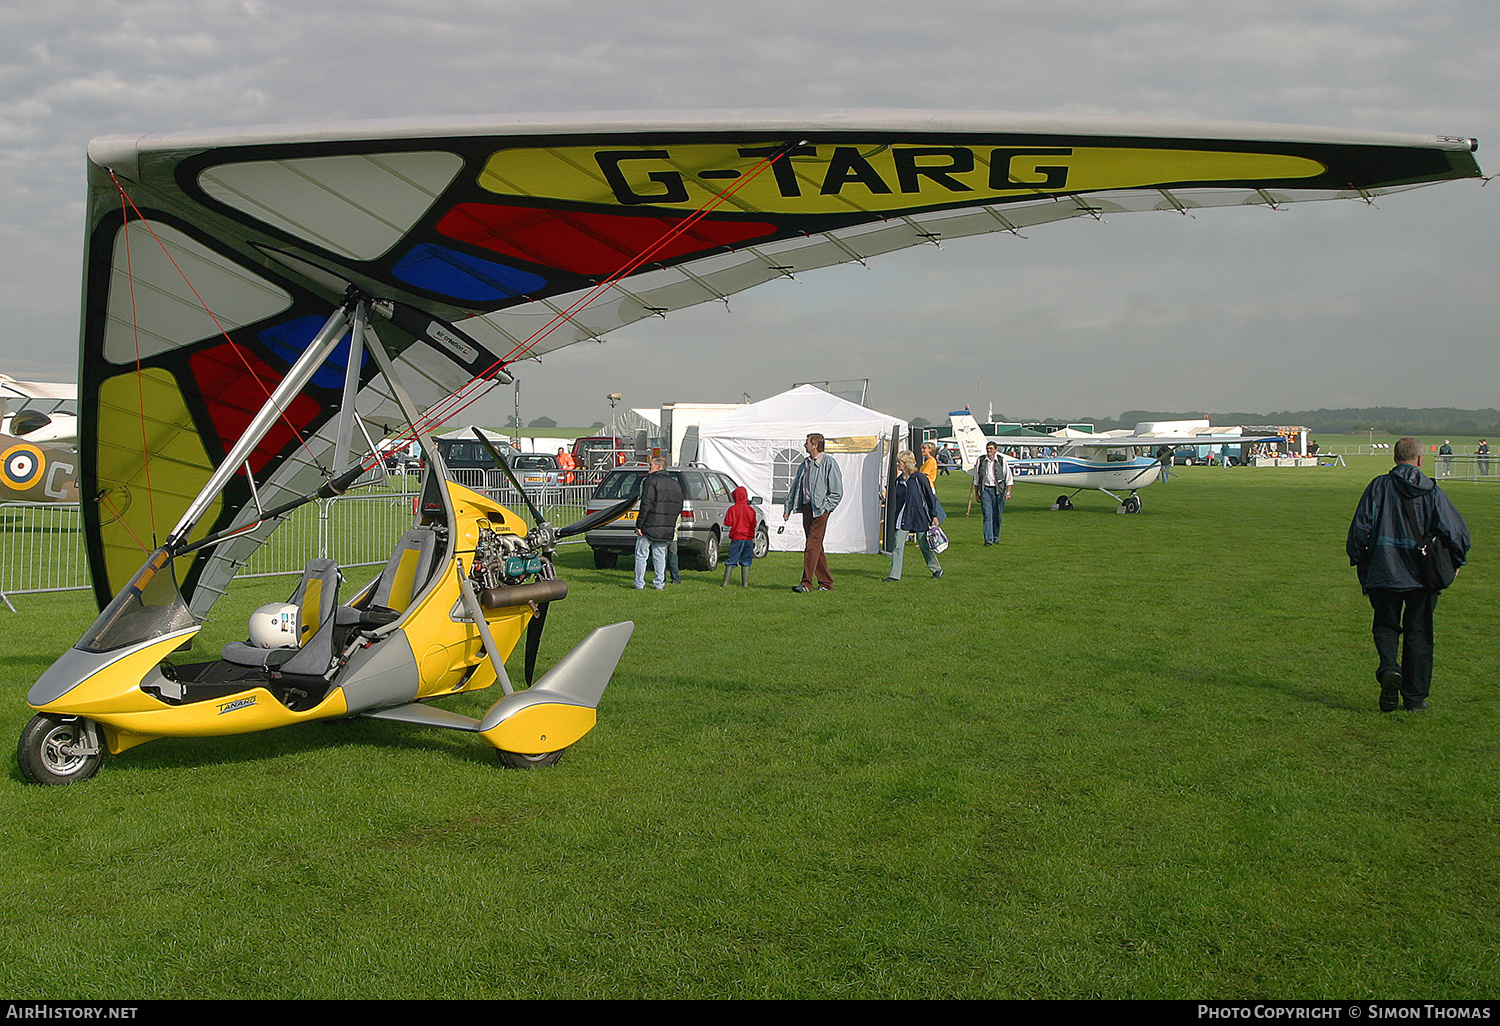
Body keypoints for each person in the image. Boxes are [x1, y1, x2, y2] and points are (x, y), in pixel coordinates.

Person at [1346, 437, 1471, 712]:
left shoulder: (1378, 486)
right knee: (1420, 634)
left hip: (1384, 570)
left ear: (1394, 458)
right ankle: (1415, 699)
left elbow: (1359, 529)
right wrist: (1457, 560)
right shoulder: (1432, 490)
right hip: (1423, 575)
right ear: (1420, 459)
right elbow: (1456, 531)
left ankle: (1390, 669)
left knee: (1386, 626)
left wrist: (1360, 562)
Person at [783, 432, 843, 592]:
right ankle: (826, 583)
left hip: (820, 510)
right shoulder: (805, 463)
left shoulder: (828, 463)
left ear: (815, 445)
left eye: (807, 443)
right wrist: (788, 508)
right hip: (807, 508)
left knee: (811, 546)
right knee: (816, 547)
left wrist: (826, 507)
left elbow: (837, 491)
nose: (805, 445)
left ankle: (806, 583)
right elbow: (796, 486)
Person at [884, 451, 943, 581]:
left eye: (899, 462)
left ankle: (936, 569)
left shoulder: (919, 478)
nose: (897, 464)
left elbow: (929, 497)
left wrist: (934, 515)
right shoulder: (898, 480)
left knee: (924, 545)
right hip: (903, 518)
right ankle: (894, 575)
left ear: (906, 463)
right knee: (898, 545)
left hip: (919, 516)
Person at [633, 458, 683, 590]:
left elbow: (646, 504)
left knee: (641, 554)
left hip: (649, 524)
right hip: (666, 525)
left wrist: (639, 524)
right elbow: (679, 505)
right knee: (660, 554)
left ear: (659, 466)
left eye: (651, 465)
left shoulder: (651, 481)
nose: (649, 467)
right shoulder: (675, 484)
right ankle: (659, 583)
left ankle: (639, 583)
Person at [970, 441, 1012, 546]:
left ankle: (996, 536)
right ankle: (988, 539)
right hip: (985, 490)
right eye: (988, 448)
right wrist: (977, 493)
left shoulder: (1002, 461)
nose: (989, 451)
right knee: (987, 515)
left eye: (991, 449)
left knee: (997, 515)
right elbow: (976, 479)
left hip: (999, 491)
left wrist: (1008, 492)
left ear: (996, 450)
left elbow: (1009, 478)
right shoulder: (981, 460)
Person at [722, 485, 758, 587]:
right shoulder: (751, 510)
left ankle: (725, 583)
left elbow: (727, 522)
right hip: (748, 539)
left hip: (737, 538)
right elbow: (754, 524)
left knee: (731, 560)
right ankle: (745, 584)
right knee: (746, 560)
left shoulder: (732, 509)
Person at [919, 441, 946, 523]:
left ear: (930, 450)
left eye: (925, 448)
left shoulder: (931, 461)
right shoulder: (927, 461)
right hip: (926, 486)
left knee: (932, 507)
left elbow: (924, 474)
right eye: (922, 448)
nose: (922, 450)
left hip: (929, 486)